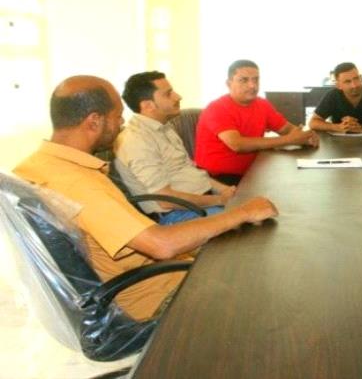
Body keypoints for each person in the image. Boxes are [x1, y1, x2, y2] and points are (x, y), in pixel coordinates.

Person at [13, 75, 279, 321]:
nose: (122, 123)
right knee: (259, 281)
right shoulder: (78, 182)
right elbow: (161, 245)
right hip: (152, 297)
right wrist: (243, 212)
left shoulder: (36, 165)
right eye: (118, 116)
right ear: (94, 121)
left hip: (143, 275)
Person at [114, 71, 236, 225]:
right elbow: (165, 200)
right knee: (249, 222)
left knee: (257, 207)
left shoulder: (164, 127)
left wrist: (225, 190)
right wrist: (219, 200)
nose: (178, 97)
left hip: (202, 203)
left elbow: (191, 172)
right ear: (148, 105)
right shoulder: (136, 140)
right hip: (177, 214)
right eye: (168, 94)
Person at [195, 60, 319, 185]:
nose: (252, 85)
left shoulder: (262, 104)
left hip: (253, 172)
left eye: (256, 80)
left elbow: (287, 129)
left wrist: (305, 136)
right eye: (244, 80)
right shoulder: (217, 108)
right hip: (217, 179)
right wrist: (289, 139)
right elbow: (237, 145)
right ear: (229, 83)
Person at [309, 62, 362, 134]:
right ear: (338, 85)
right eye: (347, 81)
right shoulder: (333, 96)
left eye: (356, 79)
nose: (354, 85)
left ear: (361, 78)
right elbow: (313, 122)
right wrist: (337, 127)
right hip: (340, 146)